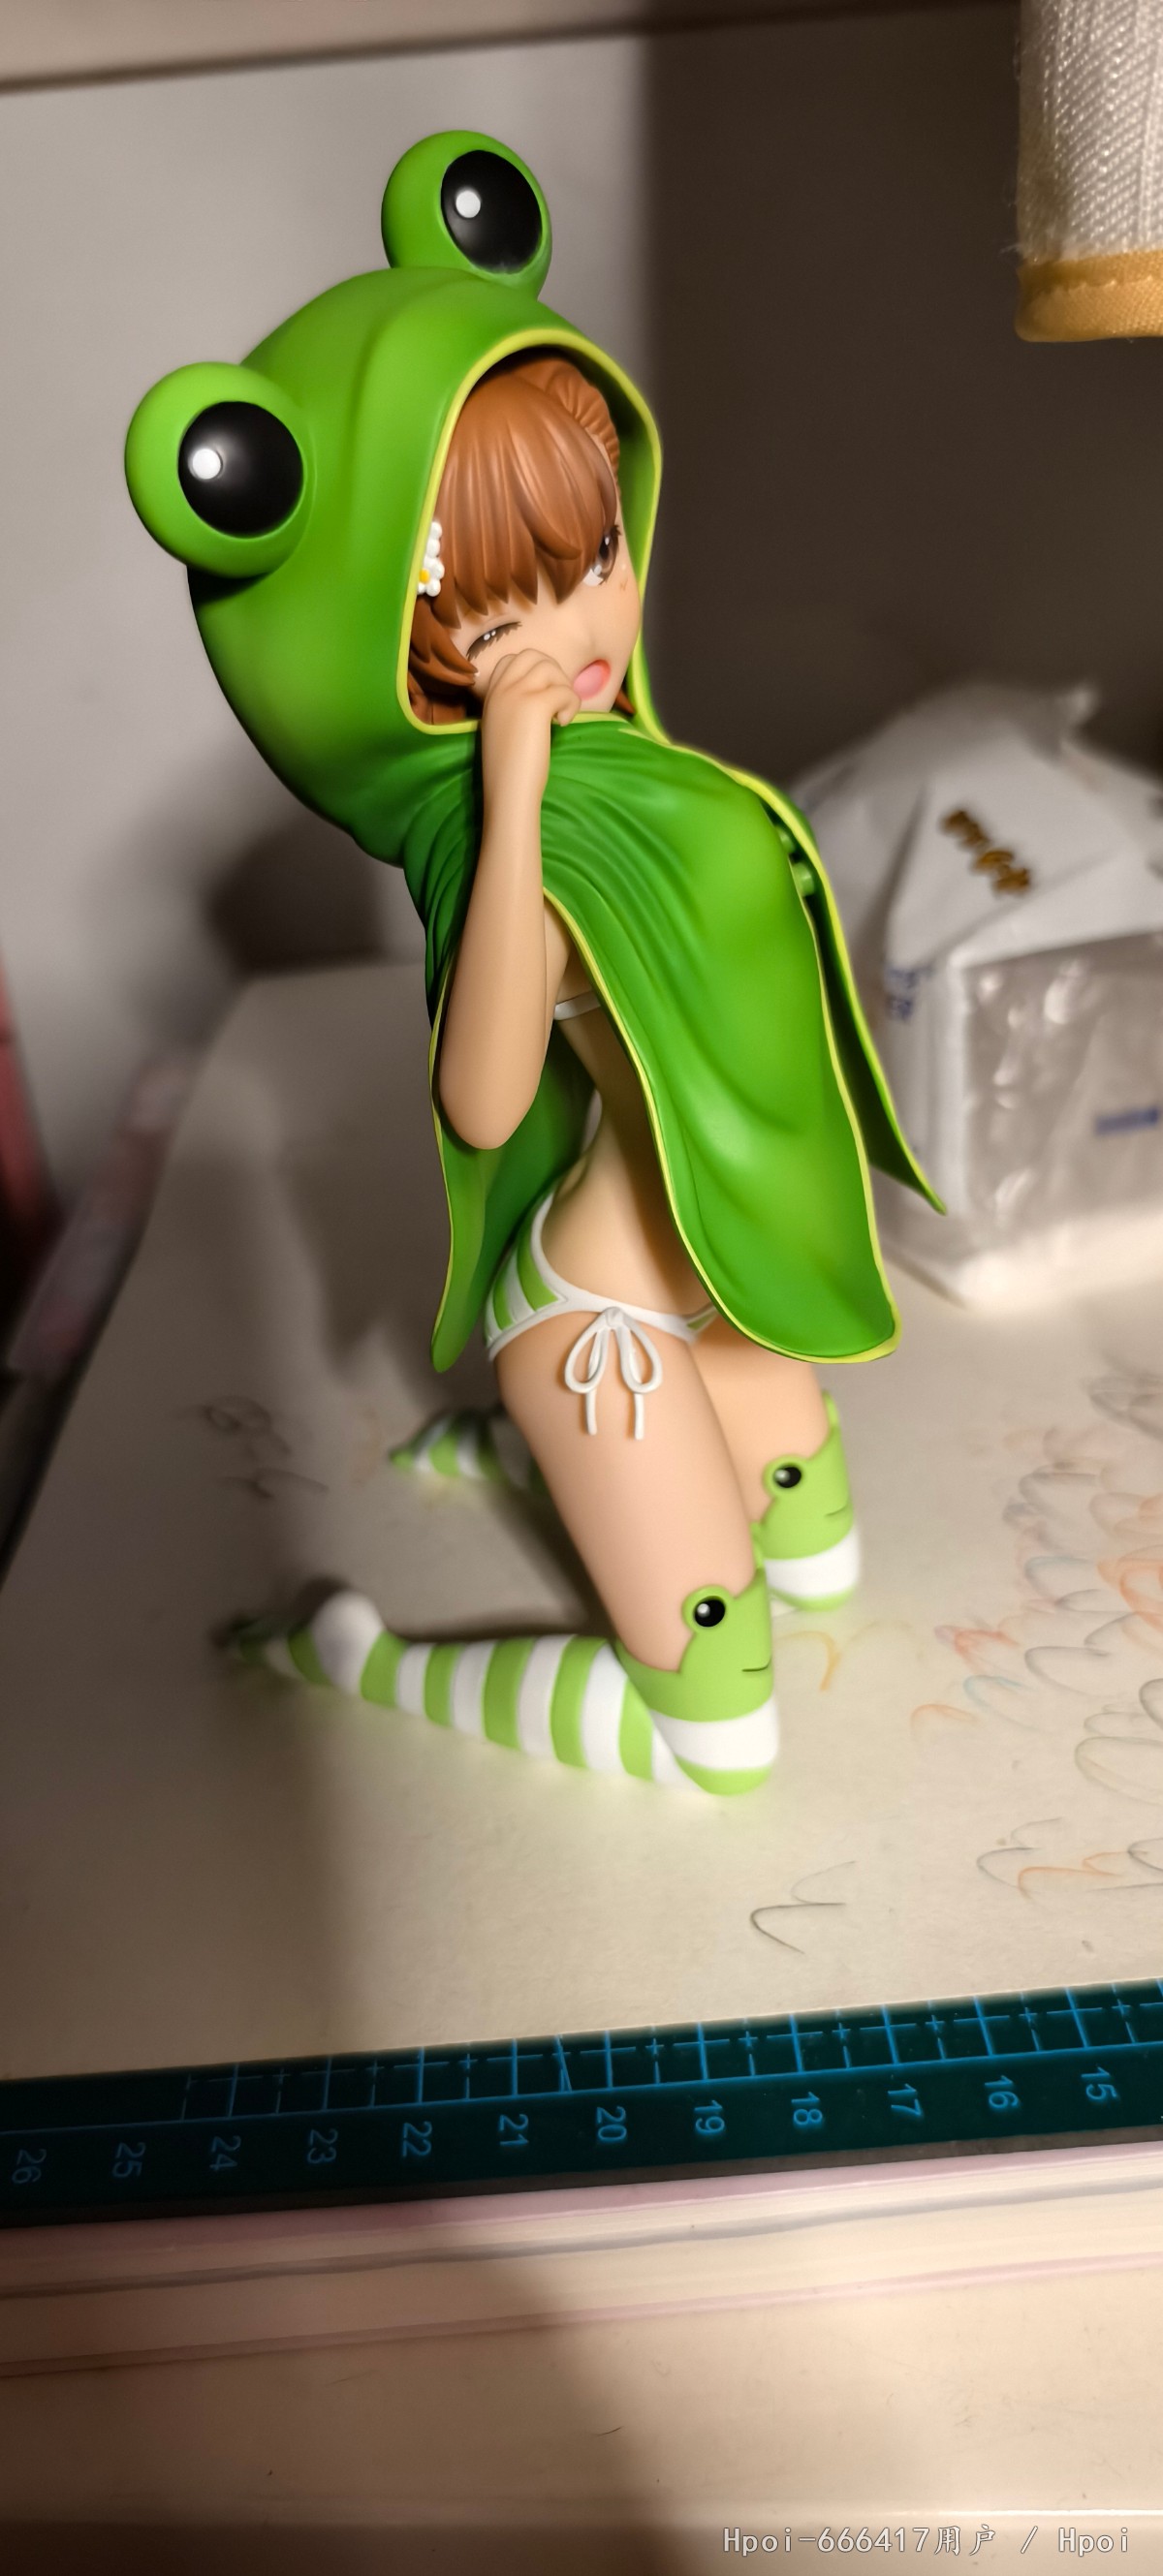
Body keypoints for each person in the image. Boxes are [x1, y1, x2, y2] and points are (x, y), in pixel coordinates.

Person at [126, 133, 936, 1795]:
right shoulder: (512, 836)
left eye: (597, 563)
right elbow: (487, 1103)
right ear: (396, 648)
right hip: (604, 1316)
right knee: (718, 1728)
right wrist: (507, 802)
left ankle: (520, 1456)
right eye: (499, 621)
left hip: (728, 1265)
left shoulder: (657, 782)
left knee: (826, 1555)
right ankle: (358, 1654)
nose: (576, 638)